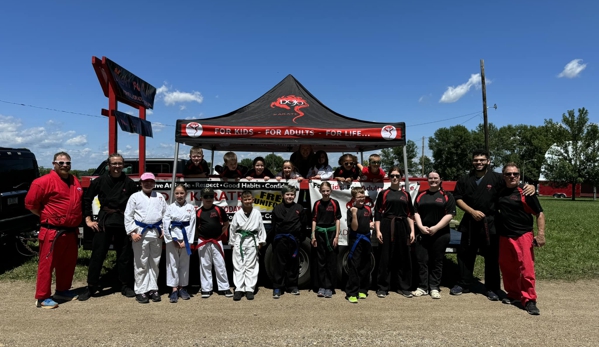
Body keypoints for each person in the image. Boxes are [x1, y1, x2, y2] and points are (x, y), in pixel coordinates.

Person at [451, 149, 534, 300]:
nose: (479, 162)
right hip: (469, 221)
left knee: (492, 256)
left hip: (490, 222)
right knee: (465, 254)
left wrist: (530, 186)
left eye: (482, 160)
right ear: (472, 161)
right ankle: (463, 283)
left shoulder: (496, 178)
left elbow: (513, 183)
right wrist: (471, 211)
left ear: (488, 161)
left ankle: (492, 287)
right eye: (476, 160)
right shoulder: (464, 179)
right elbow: (457, 198)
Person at [25, 152, 83, 309]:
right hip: (52, 231)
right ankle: (42, 297)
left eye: (68, 163)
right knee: (47, 265)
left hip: (70, 231)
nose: (65, 166)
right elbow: (31, 205)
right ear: (54, 164)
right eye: (61, 163)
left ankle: (62, 290)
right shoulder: (42, 182)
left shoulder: (74, 180)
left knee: (67, 263)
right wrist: (47, 217)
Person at [80, 153, 138, 301]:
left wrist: (134, 225)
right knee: (97, 255)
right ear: (108, 165)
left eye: (120, 164)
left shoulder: (129, 183)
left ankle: (125, 285)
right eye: (114, 164)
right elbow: (87, 199)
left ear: (123, 166)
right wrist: (88, 219)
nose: (117, 166)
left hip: (123, 221)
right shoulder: (99, 181)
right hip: (103, 222)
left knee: (125, 256)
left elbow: (136, 204)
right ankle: (91, 286)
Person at [496, 163, 546, 315]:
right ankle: (514, 294)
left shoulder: (526, 192)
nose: (512, 176)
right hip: (505, 236)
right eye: (509, 174)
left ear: (519, 176)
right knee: (508, 268)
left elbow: (540, 213)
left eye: (515, 174)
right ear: (503, 176)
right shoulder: (500, 191)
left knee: (526, 269)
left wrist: (541, 234)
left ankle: (529, 300)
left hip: (523, 235)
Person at [124, 172, 167, 304]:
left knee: (155, 262)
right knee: (141, 262)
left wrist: (164, 230)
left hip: (156, 232)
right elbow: (128, 215)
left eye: (151, 181)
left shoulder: (160, 197)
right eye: (145, 181)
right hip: (140, 233)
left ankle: (153, 288)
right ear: (141, 183)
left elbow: (166, 215)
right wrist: (132, 232)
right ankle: (141, 290)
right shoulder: (134, 197)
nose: (148, 184)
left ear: (154, 183)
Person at [413, 171, 456, 299]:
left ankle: (434, 287)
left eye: (435, 178)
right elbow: (416, 212)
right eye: (430, 178)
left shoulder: (447, 196)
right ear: (427, 180)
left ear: (440, 179)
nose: (433, 180)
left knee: (437, 261)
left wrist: (436, 228)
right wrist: (420, 227)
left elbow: (450, 214)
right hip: (422, 232)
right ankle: (422, 287)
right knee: (422, 261)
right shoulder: (421, 195)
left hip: (440, 233)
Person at [374, 167, 415, 298]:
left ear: (401, 177)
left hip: (402, 226)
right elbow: (378, 213)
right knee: (385, 257)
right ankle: (382, 287)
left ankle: (404, 287)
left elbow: (410, 214)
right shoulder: (384, 193)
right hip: (387, 225)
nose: (395, 178)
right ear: (389, 177)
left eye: (397, 175)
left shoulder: (406, 194)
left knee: (404, 257)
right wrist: (378, 230)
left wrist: (412, 231)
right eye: (392, 175)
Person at [270, 185, 308, 298]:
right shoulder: (277, 208)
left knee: (293, 263)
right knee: (279, 264)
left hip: (294, 240)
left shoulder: (299, 208)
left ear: (295, 196)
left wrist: (299, 238)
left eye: (292, 195)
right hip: (280, 239)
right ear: (282, 196)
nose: (290, 197)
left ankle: (292, 286)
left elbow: (304, 224)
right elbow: (273, 225)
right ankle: (278, 287)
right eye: (287, 194)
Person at [196, 187, 233, 298]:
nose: (208, 199)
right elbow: (196, 227)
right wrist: (202, 236)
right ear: (201, 198)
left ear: (214, 197)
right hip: (203, 241)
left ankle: (224, 287)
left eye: (211, 196)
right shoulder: (198, 212)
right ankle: (206, 288)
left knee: (220, 264)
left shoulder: (218, 209)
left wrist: (219, 234)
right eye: (206, 196)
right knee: (205, 265)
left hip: (217, 240)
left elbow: (226, 224)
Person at [229, 191, 267, 301]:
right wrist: (232, 243)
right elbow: (232, 229)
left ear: (253, 200)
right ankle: (239, 289)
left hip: (252, 240)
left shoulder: (257, 213)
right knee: (238, 265)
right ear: (242, 201)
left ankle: (250, 289)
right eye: (245, 200)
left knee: (251, 265)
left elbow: (261, 228)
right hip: (239, 240)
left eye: (249, 199)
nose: (247, 201)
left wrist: (260, 241)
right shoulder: (237, 214)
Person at [163, 184, 197, 303]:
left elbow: (192, 225)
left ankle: (182, 287)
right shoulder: (170, 207)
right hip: (173, 239)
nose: (179, 195)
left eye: (181, 193)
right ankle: (173, 289)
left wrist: (187, 241)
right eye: (177, 193)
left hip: (185, 239)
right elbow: (166, 225)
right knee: (172, 264)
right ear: (174, 194)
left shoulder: (191, 208)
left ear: (186, 194)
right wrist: (172, 239)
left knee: (184, 264)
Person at [310, 182, 341, 298]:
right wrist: (313, 235)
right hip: (320, 233)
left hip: (331, 233)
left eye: (327, 191)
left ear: (331, 191)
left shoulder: (334, 203)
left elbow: (338, 220)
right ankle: (321, 286)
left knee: (331, 261)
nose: (325, 193)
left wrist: (337, 236)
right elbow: (314, 220)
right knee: (320, 261)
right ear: (320, 191)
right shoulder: (317, 204)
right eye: (323, 191)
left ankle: (329, 287)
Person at [345, 186, 373, 304]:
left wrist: (371, 224)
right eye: (359, 197)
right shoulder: (351, 210)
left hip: (366, 239)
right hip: (355, 240)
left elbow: (370, 220)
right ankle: (352, 292)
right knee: (354, 266)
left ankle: (363, 289)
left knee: (366, 264)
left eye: (363, 196)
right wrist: (355, 214)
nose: (361, 199)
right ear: (354, 198)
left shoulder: (368, 209)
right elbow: (354, 227)